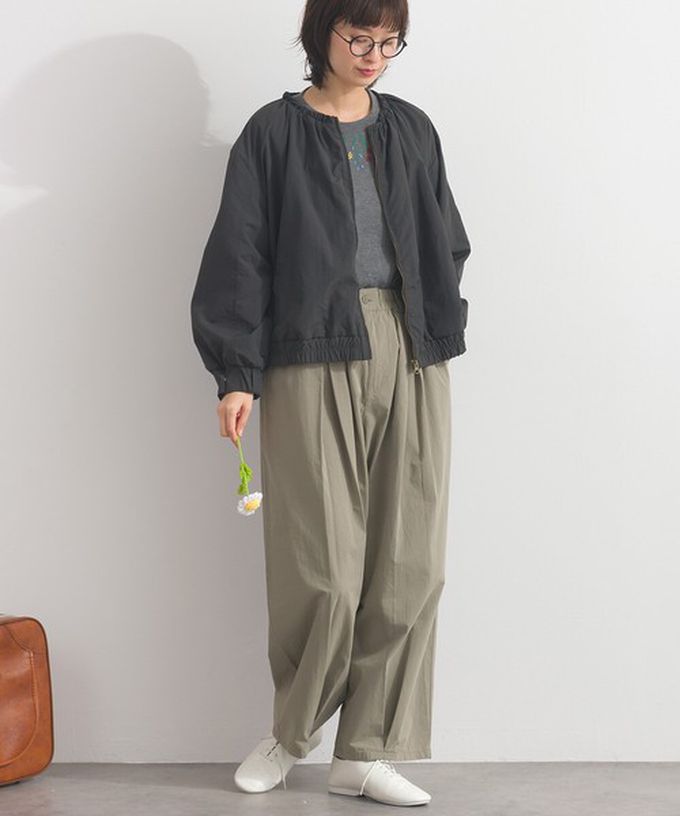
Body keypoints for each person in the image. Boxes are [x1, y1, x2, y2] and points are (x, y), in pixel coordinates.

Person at [190, 0, 471, 806]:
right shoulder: (272, 134)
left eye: (389, 41)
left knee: (411, 564)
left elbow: (447, 237)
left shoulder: (412, 128)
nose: (374, 54)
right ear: (323, 34)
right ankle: (290, 735)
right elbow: (239, 254)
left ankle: (367, 750)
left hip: (411, 347)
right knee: (321, 566)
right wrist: (236, 372)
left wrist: (434, 316)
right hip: (310, 346)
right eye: (359, 37)